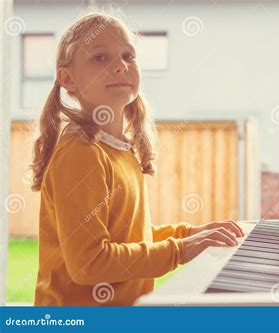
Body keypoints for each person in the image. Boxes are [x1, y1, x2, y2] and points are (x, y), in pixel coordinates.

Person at [30, 10, 244, 306]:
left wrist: (188, 234)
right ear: (68, 79)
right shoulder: (80, 153)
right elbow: (89, 263)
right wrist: (179, 249)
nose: (120, 66)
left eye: (128, 56)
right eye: (100, 58)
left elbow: (127, 239)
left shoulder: (119, 149)